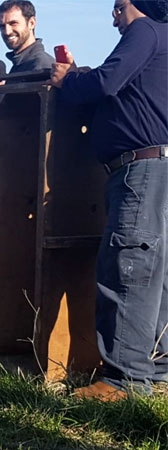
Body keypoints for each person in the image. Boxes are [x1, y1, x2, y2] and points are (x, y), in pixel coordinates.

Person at [50, 0, 168, 401]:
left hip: (141, 169)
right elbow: (114, 88)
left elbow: (105, 83)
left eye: (118, 7)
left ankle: (125, 381)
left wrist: (68, 80)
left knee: (129, 266)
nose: (114, 18)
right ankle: (159, 370)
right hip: (159, 167)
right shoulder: (161, 38)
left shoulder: (145, 30)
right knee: (157, 272)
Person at [0, 0, 54, 73]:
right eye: (2, 26)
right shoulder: (20, 65)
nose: (7, 32)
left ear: (31, 23)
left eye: (13, 23)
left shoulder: (41, 66)